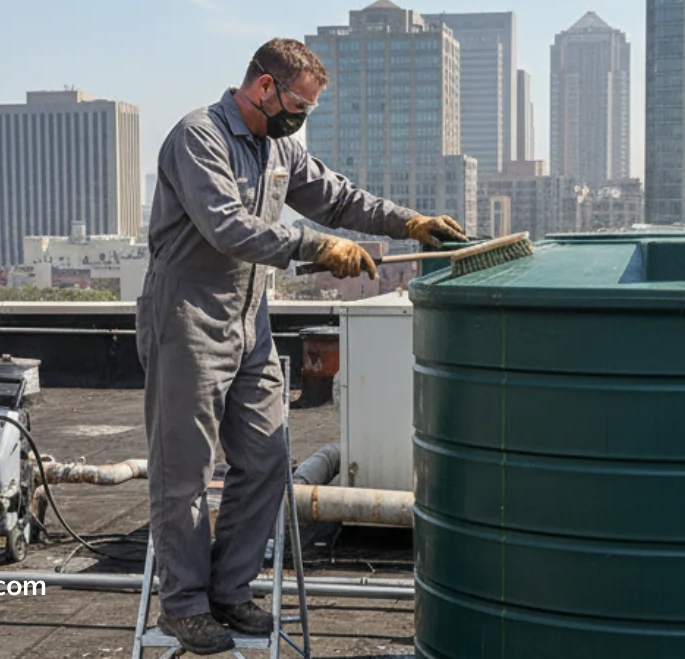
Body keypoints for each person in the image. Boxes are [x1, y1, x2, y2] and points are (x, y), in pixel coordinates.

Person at [136, 38, 467, 654]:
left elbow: (336, 197)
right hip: (187, 315)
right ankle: (184, 605)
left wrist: (408, 222)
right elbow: (226, 225)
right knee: (182, 473)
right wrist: (315, 248)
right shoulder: (199, 137)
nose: (301, 118)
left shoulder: (280, 145)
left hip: (248, 317)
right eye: (299, 105)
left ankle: (230, 592)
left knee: (266, 458)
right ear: (264, 87)